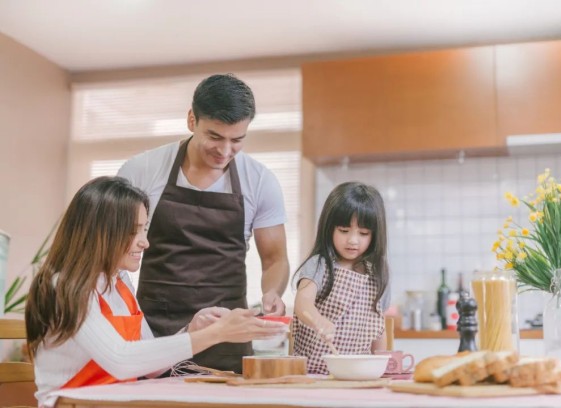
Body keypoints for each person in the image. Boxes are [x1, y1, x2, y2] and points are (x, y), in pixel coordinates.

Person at [25, 177, 287, 406]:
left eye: (144, 228)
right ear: (99, 233)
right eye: (132, 231)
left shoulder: (120, 283)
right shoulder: (63, 287)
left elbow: (150, 366)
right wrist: (214, 334)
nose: (145, 241)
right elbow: (121, 360)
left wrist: (192, 331)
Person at [117, 74, 289, 373]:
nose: (224, 151)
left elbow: (275, 259)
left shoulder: (260, 181)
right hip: (154, 329)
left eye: (237, 140)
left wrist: (272, 292)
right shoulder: (142, 171)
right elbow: (113, 249)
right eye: (214, 136)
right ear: (191, 119)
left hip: (226, 333)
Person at [292, 181, 390, 374]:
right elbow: (302, 304)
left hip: (359, 373)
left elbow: (379, 325)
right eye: (344, 231)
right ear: (329, 228)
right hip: (313, 373)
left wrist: (383, 364)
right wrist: (318, 321)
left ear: (375, 235)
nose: (353, 240)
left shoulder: (377, 274)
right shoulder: (319, 264)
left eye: (363, 233)